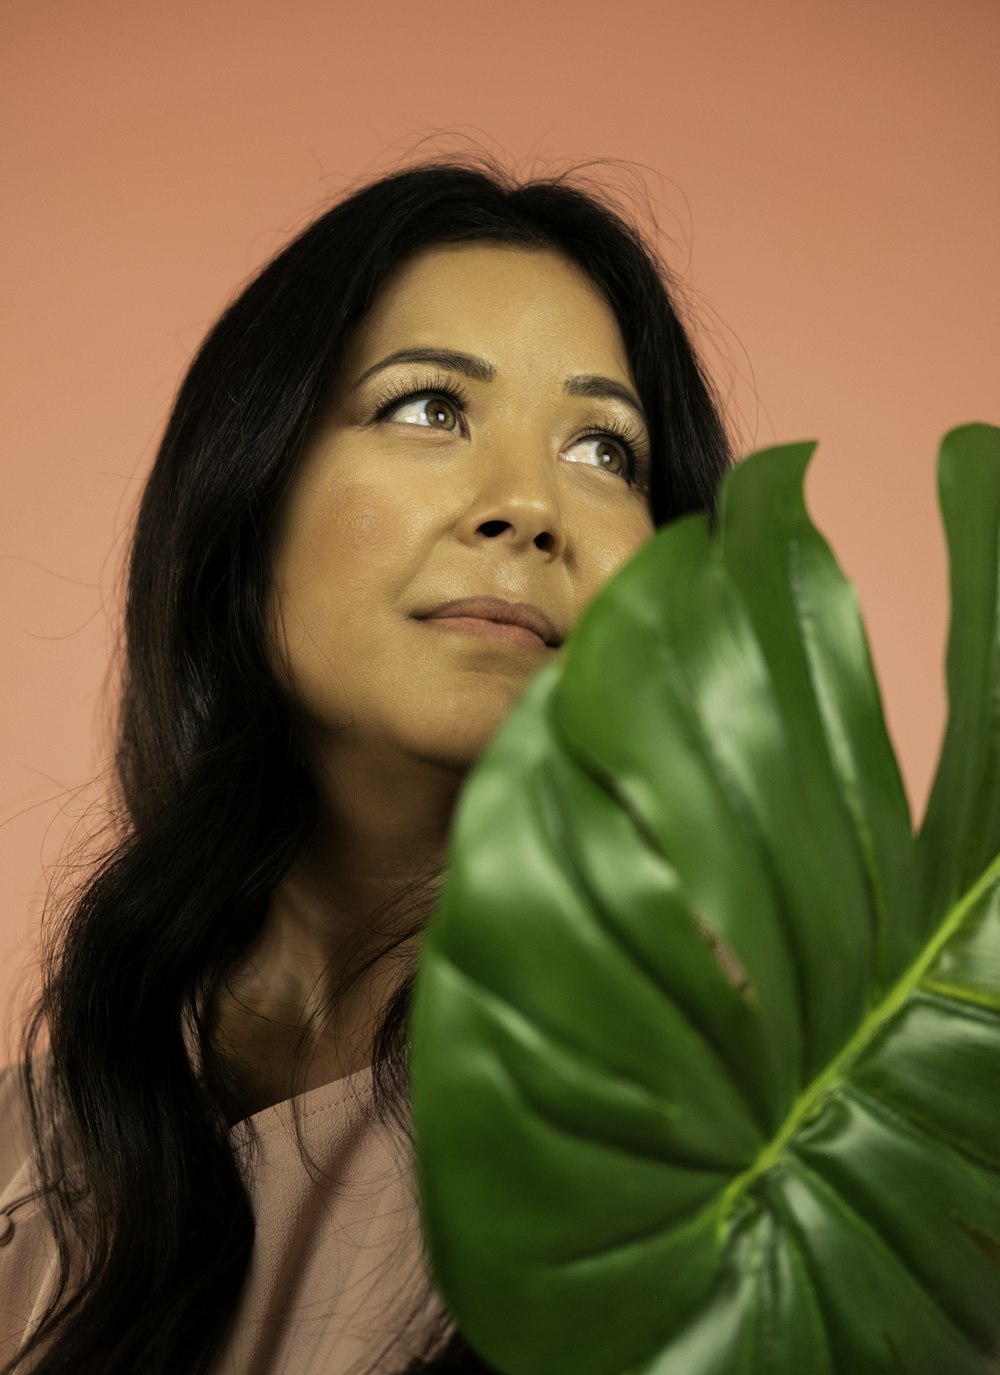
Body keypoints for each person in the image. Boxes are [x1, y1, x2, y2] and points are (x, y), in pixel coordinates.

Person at [0, 155, 732, 1374]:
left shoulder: (770, 1113)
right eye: (430, 409)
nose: (529, 506)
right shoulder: (34, 1159)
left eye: (606, 450)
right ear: (250, 499)